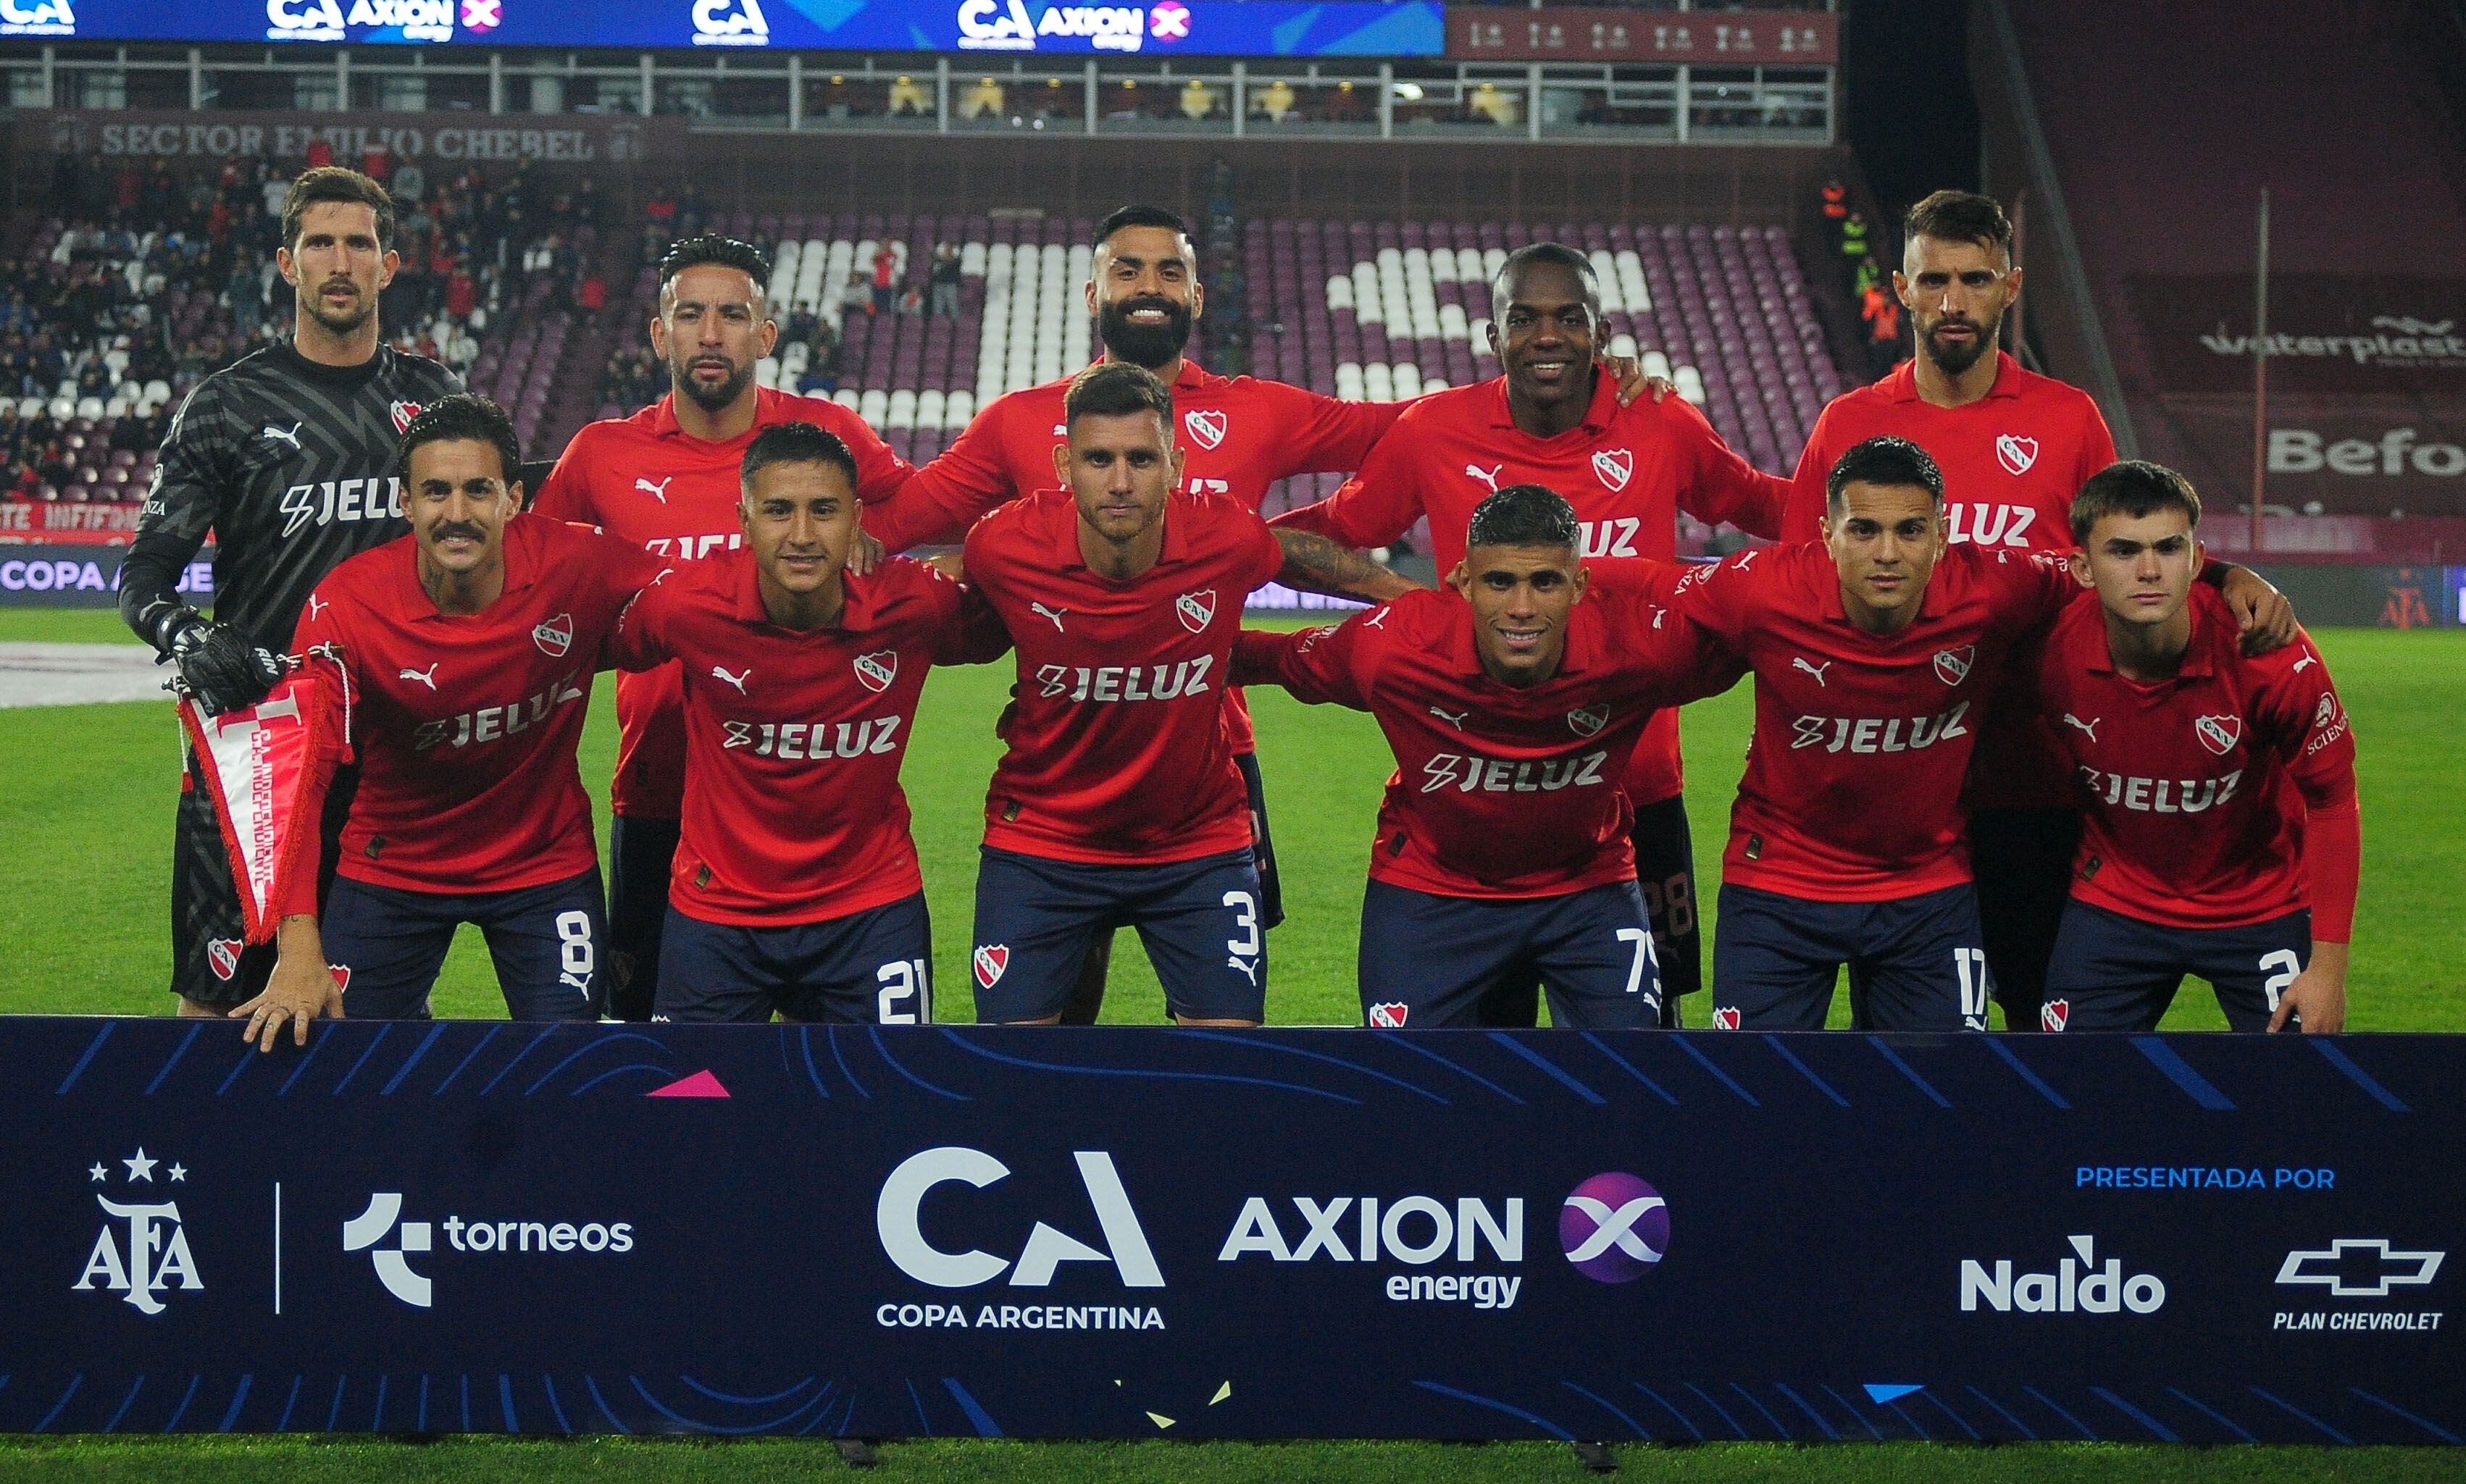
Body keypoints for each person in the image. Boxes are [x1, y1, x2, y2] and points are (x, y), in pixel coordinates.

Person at [871, 206, 1663, 1024]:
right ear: (1091, 292)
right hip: (1065, 768)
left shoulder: (1258, 414)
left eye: (1167, 271)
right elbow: (906, 522)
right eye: (1128, 270)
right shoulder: (1014, 424)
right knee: (1062, 1000)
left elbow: (1398, 433)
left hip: (1209, 749)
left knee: (1221, 1017)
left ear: (1197, 295)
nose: (1148, 287)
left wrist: (1566, 374)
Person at [1270, 241, 1789, 1028]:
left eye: (1567, 318)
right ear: (1492, 336)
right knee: (1486, 1055)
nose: (1546, 336)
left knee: (1645, 1045)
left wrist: (1898, 527)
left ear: (1600, 331)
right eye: (1524, 319)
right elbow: (1324, 534)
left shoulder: (1657, 421)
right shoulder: (1434, 431)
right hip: (1481, 787)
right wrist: (1407, 597)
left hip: (1636, 792)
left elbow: (1762, 505)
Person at [1674, 436, 2290, 1032]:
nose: (1888, 552)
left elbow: (2115, 565)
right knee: (1753, 1097)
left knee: (1945, 1104)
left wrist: (2224, 575)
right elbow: (1643, 586)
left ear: (1943, 536)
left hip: (1926, 891)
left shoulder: (1995, 585)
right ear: (1829, 536)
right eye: (1865, 530)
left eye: (1911, 530)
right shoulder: (1760, 587)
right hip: (1779, 882)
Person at [530, 236, 918, 1023]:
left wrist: (878, 547)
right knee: (659, 1064)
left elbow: (925, 522)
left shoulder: (824, 439)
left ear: (766, 334)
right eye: (690, 314)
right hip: (658, 793)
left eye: (733, 315)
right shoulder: (600, 456)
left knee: (837, 1072)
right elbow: (535, 589)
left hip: (809, 800)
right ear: (658, 332)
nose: (711, 334)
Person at [956, 361, 1406, 1026]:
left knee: (1227, 1072)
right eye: (1098, 458)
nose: (1119, 481)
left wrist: (1415, 600)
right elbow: (944, 610)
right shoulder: (1001, 546)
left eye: (1141, 458)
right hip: (1046, 845)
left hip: (1196, 846)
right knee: (1015, 1073)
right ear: (1062, 464)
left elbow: (1299, 556)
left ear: (1177, 465)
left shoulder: (1225, 536)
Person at [118, 165, 462, 1023]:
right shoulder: (227, 405)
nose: (339, 261)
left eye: (359, 243)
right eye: (320, 243)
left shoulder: (433, 400)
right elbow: (144, 574)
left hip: (389, 747)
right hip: (251, 742)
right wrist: (191, 641)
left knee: (375, 1014)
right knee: (215, 1006)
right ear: (287, 263)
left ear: (388, 267)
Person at [1784, 189, 2127, 1035]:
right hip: (1893, 800)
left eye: (1973, 279)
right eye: (1931, 280)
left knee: (2042, 1032)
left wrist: (2222, 576)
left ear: (2009, 287)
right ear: (1899, 289)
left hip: (2036, 785)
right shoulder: (1849, 425)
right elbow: (1796, 583)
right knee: (1906, 1046)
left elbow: (2119, 568)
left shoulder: (2067, 419)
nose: (1951, 302)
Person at [232, 395, 656, 1047]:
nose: (457, 513)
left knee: (574, 1067)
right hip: (393, 867)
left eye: (477, 490)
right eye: (436, 491)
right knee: (346, 1067)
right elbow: (301, 780)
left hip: (542, 864)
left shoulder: (579, 562)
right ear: (405, 502)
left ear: (514, 498)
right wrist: (296, 946)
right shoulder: (346, 605)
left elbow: (702, 593)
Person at [1236, 486, 1742, 1028]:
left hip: (1586, 889)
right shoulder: (1394, 650)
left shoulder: (1642, 651)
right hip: (1431, 890)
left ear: (1580, 586)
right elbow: (1261, 658)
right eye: (1500, 582)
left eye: (1544, 582)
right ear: (1464, 583)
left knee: (1630, 1079)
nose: (1521, 609)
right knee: (1404, 1084)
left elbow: (1771, 640)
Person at [611, 422, 979, 1024]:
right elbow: (582, 638)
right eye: (779, 510)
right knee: (693, 1105)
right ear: (743, 519)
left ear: (858, 518)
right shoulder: (685, 606)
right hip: (719, 911)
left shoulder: (915, 604)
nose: (803, 535)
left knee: (885, 1104)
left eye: (825, 511)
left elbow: (1009, 593)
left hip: (869, 909)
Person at [2035, 462, 2357, 1034]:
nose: (2150, 569)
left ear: (2197, 558)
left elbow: (2332, 802)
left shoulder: (2271, 652)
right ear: (2083, 566)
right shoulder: (2045, 648)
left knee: (2302, 1098)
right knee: (2071, 1094)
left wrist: (2328, 969)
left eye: (2168, 547)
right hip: (2118, 902)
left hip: (2259, 904)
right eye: (2124, 551)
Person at [929, 242, 963, 320]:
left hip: (950, 286)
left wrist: (939, 257)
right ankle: (938, 326)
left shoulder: (956, 261)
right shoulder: (938, 261)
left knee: (952, 307)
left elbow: (950, 261)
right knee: (937, 308)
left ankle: (955, 326)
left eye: (948, 249)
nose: (946, 251)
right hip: (938, 285)